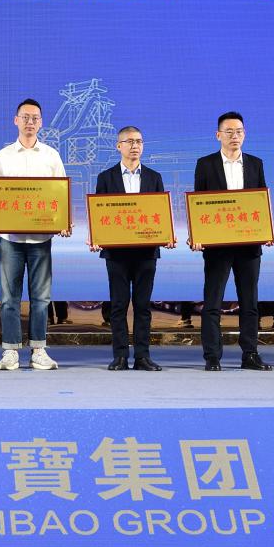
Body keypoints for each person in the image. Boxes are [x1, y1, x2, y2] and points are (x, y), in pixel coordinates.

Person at [0, 98, 69, 371]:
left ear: (41, 123)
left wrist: (64, 222)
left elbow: (61, 194)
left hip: (41, 240)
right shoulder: (3, 156)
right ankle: (10, 351)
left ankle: (38, 350)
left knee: (41, 298)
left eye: (35, 118)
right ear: (16, 120)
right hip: (10, 239)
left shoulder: (51, 156)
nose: (30, 122)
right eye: (25, 117)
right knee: (9, 298)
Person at [192, 111, 274, 371]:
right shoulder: (205, 164)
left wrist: (266, 231)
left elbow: (260, 202)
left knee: (249, 302)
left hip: (249, 246)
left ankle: (250, 354)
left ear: (245, 134)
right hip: (217, 247)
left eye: (239, 131)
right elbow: (199, 203)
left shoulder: (255, 164)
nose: (234, 136)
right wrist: (197, 235)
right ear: (218, 135)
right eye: (229, 132)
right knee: (212, 302)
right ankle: (212, 356)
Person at [93, 126, 170, 370]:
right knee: (118, 305)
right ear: (119, 146)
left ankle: (142, 356)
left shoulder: (154, 177)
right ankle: (120, 356)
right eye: (129, 141)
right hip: (116, 253)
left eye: (139, 141)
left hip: (146, 252)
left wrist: (167, 235)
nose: (135, 146)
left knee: (143, 306)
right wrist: (96, 236)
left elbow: (160, 213)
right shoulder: (106, 178)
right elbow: (99, 214)